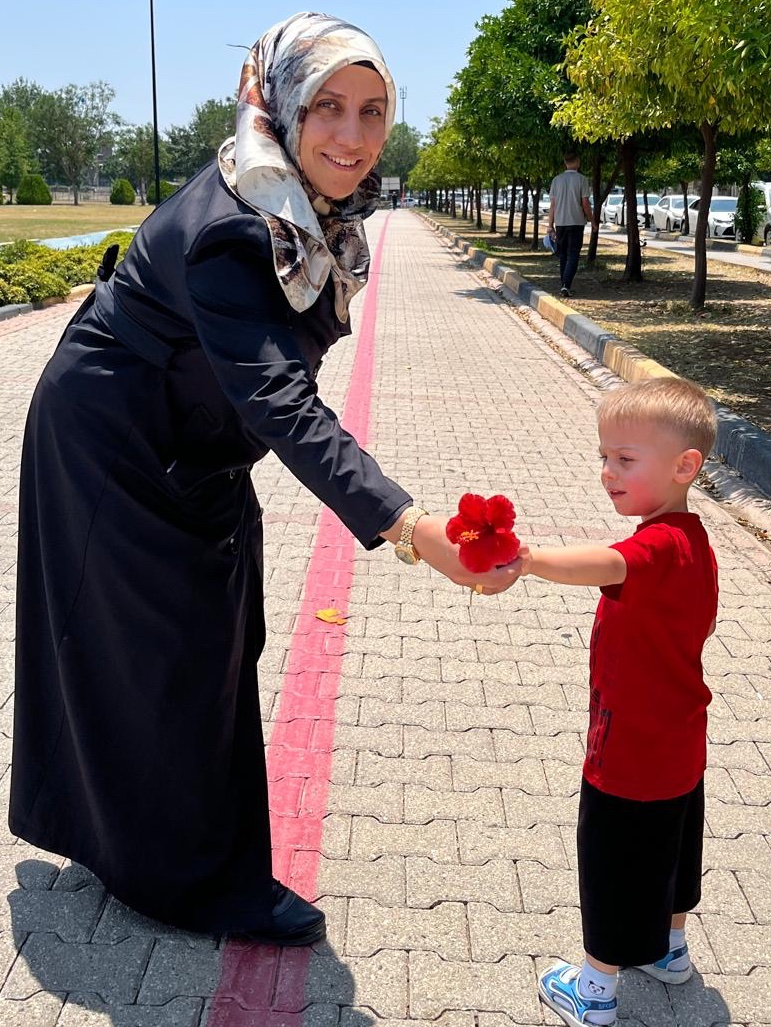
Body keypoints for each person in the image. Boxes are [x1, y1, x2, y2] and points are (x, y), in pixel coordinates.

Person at [9, 12, 518, 946]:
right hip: (113, 450)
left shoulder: (288, 200)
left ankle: (114, 835)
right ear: (285, 107)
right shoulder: (238, 229)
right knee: (163, 655)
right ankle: (192, 884)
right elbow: (282, 404)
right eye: (327, 107)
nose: (354, 138)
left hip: (183, 437)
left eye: (372, 111)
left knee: (217, 630)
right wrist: (408, 526)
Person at [515, 378, 718, 1027]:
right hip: (680, 744)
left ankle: (595, 988)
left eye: (624, 459)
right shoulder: (694, 542)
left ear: (684, 465)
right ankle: (669, 953)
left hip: (627, 752)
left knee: (613, 861)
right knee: (673, 849)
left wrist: (523, 558)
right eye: (603, 456)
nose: (607, 472)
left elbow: (602, 563)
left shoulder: (653, 546)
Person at [547, 153, 594, 299]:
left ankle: (564, 283)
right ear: (578, 162)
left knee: (563, 255)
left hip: (560, 222)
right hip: (576, 222)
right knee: (573, 254)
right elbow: (585, 203)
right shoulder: (582, 180)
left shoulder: (556, 180)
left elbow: (553, 205)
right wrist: (592, 220)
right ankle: (566, 285)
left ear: (565, 162)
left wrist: (550, 225)